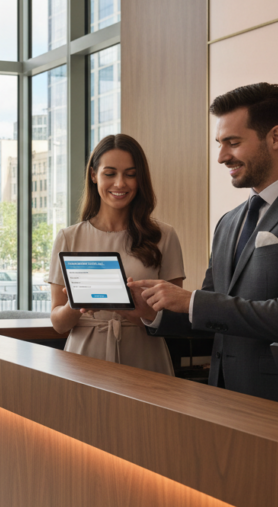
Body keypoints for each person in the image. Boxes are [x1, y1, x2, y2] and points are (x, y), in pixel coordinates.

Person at [135, 82, 278, 403]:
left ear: (275, 137)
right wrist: (154, 311)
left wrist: (191, 301)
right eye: (219, 143)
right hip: (223, 397)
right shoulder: (228, 222)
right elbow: (214, 314)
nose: (221, 157)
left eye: (233, 142)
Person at [47, 134, 186, 375]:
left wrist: (141, 311)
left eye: (130, 174)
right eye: (110, 173)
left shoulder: (164, 236)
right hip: (84, 358)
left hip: (145, 356)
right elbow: (58, 323)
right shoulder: (68, 238)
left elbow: (175, 320)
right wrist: (76, 302)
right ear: (93, 175)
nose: (120, 184)